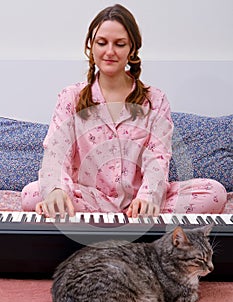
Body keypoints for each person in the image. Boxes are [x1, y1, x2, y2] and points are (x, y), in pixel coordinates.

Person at [21, 4, 227, 218]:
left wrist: (148, 197)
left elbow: (158, 157)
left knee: (214, 192)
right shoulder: (70, 96)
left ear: (132, 49)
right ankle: (112, 217)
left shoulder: (155, 100)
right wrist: (56, 191)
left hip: (139, 200)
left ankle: (124, 215)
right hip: (87, 197)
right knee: (32, 194)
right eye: (102, 43)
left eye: (119, 44)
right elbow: (56, 154)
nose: (110, 51)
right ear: (91, 46)